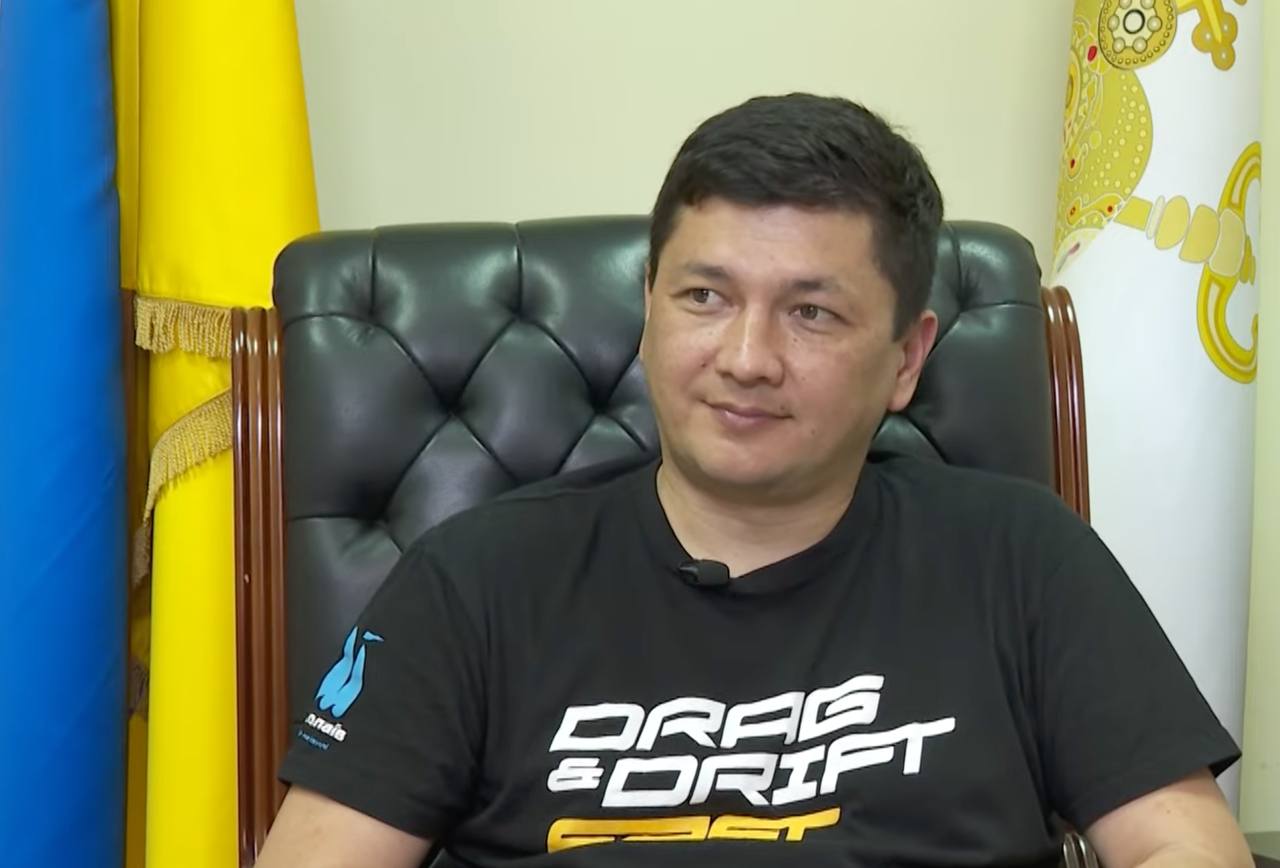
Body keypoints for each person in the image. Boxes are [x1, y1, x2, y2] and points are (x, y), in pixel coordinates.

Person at [255, 93, 1251, 868]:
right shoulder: (474, 580)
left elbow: (1181, 845)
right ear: (648, 308)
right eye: (704, 296)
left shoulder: (1021, 558)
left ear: (906, 359)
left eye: (811, 313)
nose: (745, 358)